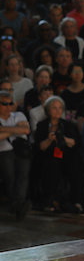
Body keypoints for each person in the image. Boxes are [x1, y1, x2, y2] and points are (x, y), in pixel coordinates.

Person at [34, 96, 84, 212]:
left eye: (60, 108)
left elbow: (74, 143)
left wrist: (64, 139)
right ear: (48, 110)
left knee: (76, 164)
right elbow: (40, 147)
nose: (57, 111)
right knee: (51, 164)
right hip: (48, 156)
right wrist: (50, 139)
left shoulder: (69, 125)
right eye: (54, 108)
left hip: (66, 154)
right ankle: (50, 200)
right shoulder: (42, 125)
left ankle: (75, 201)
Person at [0, 90, 31, 220]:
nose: (8, 106)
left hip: (21, 150)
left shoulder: (18, 115)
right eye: (4, 103)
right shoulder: (17, 120)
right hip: (4, 151)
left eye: (10, 103)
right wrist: (15, 130)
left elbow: (26, 130)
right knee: (10, 177)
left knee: (23, 176)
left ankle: (19, 204)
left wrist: (3, 129)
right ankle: (18, 204)